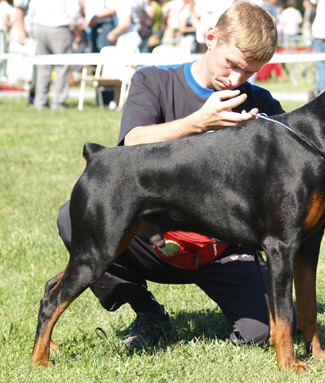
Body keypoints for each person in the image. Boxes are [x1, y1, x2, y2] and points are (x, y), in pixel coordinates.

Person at [57, 1, 283, 350]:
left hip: (223, 248)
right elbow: (131, 144)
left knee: (260, 332)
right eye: (232, 65)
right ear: (211, 38)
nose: (236, 79)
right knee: (73, 218)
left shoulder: (261, 104)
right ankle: (147, 311)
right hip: (151, 238)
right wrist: (198, 124)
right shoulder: (154, 80)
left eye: (248, 73)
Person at [30, 0, 82, 110]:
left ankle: (40, 102)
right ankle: (58, 102)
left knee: (42, 66)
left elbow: (33, 7)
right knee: (62, 66)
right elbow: (74, 11)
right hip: (60, 27)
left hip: (40, 26)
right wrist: (77, 28)